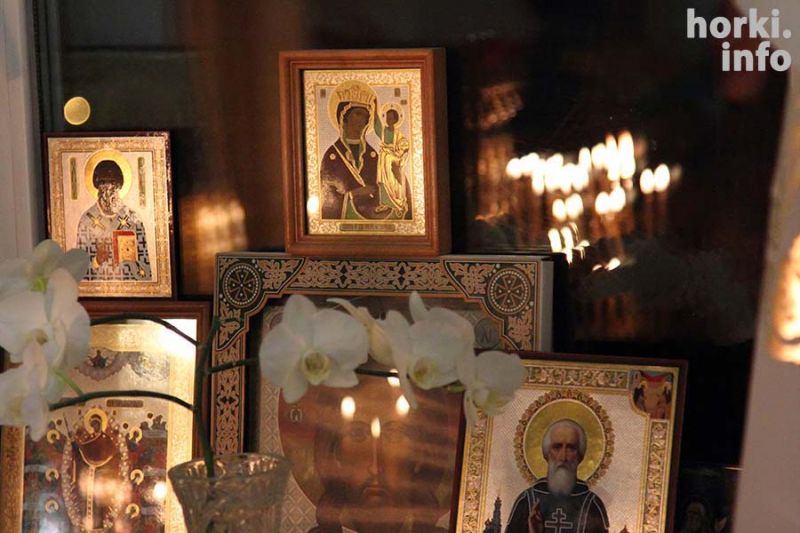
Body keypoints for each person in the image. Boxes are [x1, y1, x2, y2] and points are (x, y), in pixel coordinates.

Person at [506, 419, 609, 533]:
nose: (563, 457)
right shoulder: (526, 501)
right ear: (547, 452)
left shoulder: (592, 505)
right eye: (557, 447)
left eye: (571, 448)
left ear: (579, 455)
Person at [319, 81, 386, 221]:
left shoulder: (372, 155)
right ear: (344, 117)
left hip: (371, 218)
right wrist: (354, 194)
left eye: (366, 116)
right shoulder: (332, 155)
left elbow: (380, 188)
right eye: (358, 114)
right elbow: (326, 196)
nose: (363, 120)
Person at [76, 159, 151, 280]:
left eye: (112, 182)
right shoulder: (86, 221)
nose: (108, 188)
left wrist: (129, 260)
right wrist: (96, 261)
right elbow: (79, 271)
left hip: (128, 288)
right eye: (103, 182)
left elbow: (145, 271)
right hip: (99, 289)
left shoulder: (133, 220)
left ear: (119, 186)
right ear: (97, 185)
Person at [373, 101, 412, 219]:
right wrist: (375, 107)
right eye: (387, 117)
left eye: (391, 118)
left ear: (395, 120)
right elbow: (376, 125)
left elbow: (404, 144)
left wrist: (398, 151)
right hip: (383, 160)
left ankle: (397, 203)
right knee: (383, 182)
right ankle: (385, 204)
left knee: (393, 182)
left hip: (392, 160)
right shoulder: (383, 131)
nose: (388, 120)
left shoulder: (398, 134)